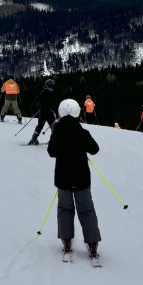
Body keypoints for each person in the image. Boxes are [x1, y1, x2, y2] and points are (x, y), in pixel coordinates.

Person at [47, 98, 101, 264]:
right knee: (86, 210)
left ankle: (67, 241)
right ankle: (92, 244)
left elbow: (51, 152)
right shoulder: (82, 132)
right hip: (82, 179)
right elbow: (95, 149)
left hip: (63, 179)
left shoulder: (57, 132)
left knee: (65, 209)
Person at [28, 78, 57, 145]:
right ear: (51, 85)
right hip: (49, 113)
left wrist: (40, 108)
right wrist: (56, 113)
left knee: (40, 126)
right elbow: (54, 104)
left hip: (42, 112)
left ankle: (33, 139)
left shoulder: (42, 92)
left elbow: (38, 102)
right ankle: (54, 140)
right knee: (53, 126)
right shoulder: (51, 93)